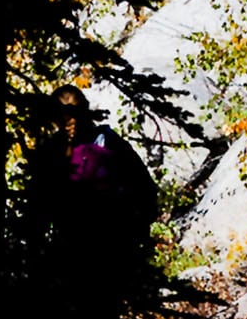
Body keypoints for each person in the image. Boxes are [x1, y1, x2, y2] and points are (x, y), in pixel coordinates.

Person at [31, 83, 158, 301]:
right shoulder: (109, 141)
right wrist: (139, 234)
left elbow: (38, 206)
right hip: (112, 247)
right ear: (87, 110)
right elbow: (145, 190)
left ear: (54, 118)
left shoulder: (50, 151)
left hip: (69, 250)